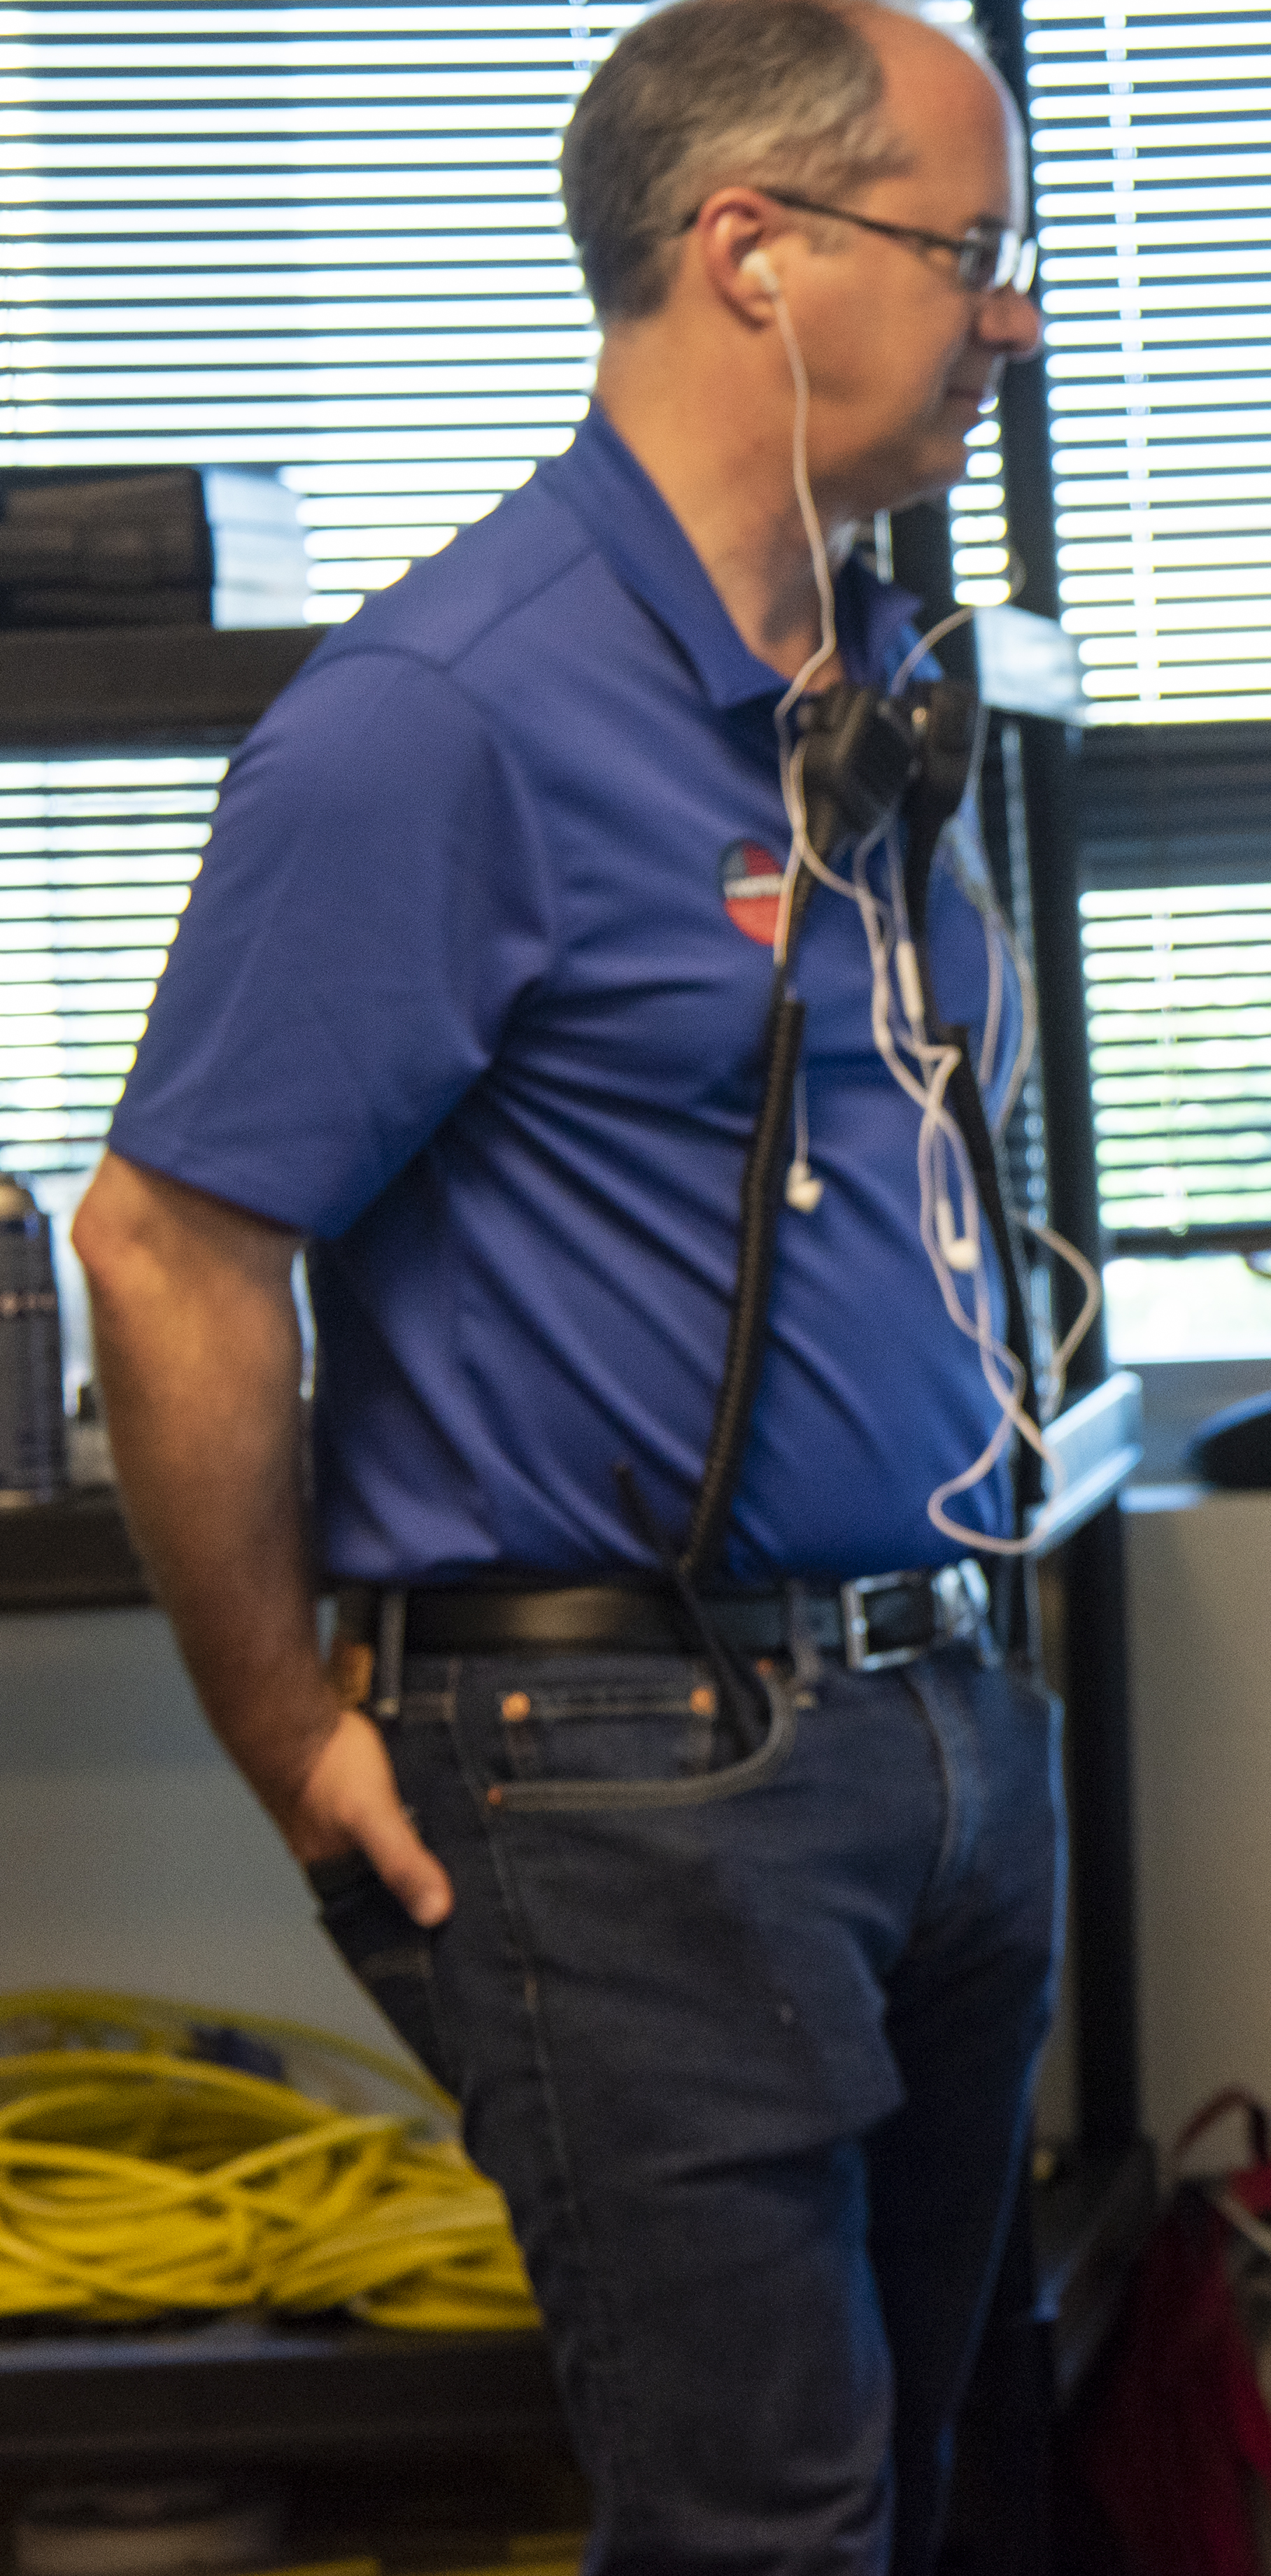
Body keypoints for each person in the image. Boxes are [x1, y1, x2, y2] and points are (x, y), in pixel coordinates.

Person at [72, 2, 1057, 2561]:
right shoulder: (442, 722)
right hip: (629, 1770)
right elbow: (170, 1244)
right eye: (972, 253)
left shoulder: (866, 688)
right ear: (753, 254)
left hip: (936, 1717)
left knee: (928, 2485)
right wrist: (296, 1741)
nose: (1015, 319)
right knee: (766, 2517)